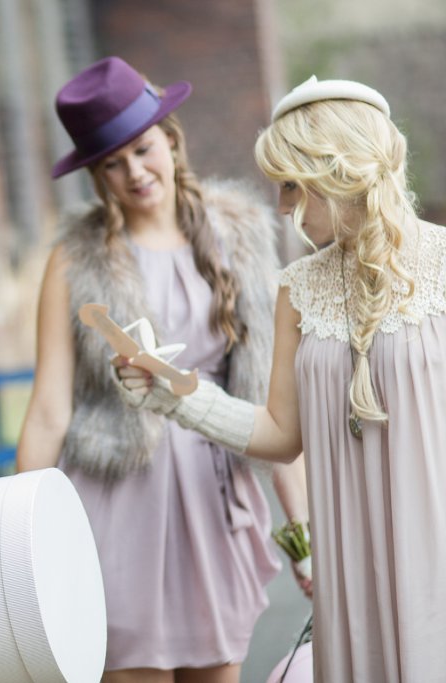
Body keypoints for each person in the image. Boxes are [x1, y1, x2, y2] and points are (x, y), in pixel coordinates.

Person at [114, 75, 446, 681]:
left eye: (291, 186)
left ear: (338, 169)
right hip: (353, 562)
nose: (283, 207)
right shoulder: (296, 289)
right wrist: (174, 393)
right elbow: (278, 432)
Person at [15, 56, 309, 682]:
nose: (134, 173)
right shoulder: (75, 259)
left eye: (143, 149)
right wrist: (21, 538)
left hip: (215, 493)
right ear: (96, 175)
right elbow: (47, 409)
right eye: (112, 163)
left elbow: (273, 401)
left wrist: (302, 533)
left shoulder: (245, 235)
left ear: (171, 141)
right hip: (115, 501)